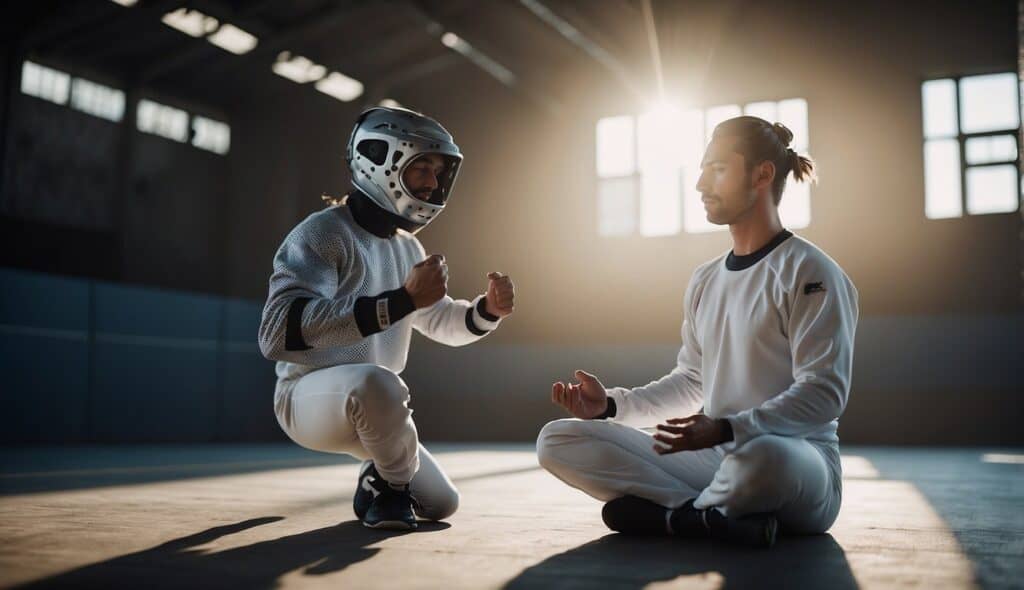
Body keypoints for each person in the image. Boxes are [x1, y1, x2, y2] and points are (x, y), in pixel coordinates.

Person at [536, 116, 858, 548]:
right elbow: (692, 382)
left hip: (796, 461)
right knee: (557, 439)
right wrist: (611, 406)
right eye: (703, 169)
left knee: (763, 459)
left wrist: (727, 428)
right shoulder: (705, 279)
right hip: (716, 456)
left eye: (718, 169)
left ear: (762, 174)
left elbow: (824, 393)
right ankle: (699, 518)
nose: (701, 184)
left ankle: (676, 513)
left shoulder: (811, 271)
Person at [259, 106, 515, 530]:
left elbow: (436, 320)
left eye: (438, 172)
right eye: (422, 169)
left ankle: (379, 481)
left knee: (442, 503)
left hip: (377, 410)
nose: (433, 183)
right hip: (306, 400)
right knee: (378, 380)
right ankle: (392, 491)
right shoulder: (322, 233)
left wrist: (486, 311)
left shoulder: (407, 248)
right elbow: (275, 335)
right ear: (378, 160)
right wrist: (398, 302)